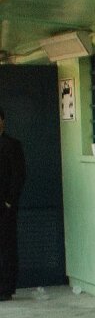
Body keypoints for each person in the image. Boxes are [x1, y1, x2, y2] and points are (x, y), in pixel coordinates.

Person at [0, 108, 26, 302]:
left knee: (7, 246)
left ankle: (6, 288)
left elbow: (19, 175)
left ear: (3, 121)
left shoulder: (12, 145)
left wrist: (9, 201)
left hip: (4, 205)